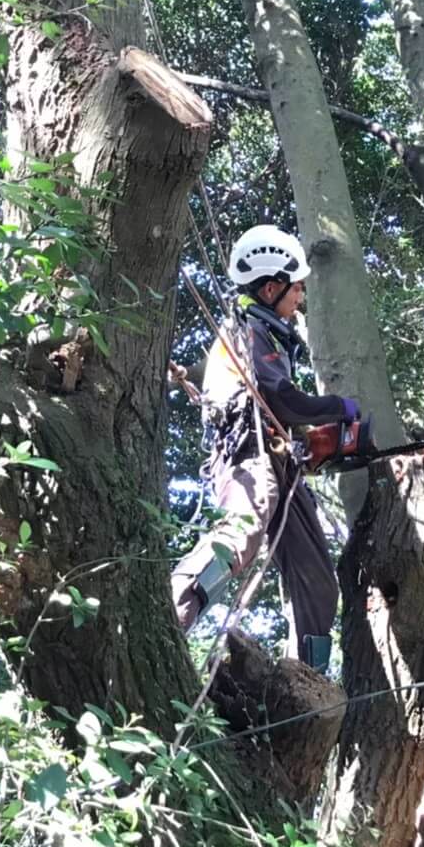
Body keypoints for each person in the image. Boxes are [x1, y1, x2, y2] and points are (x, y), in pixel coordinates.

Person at [171, 225, 360, 672]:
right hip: (248, 454)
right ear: (271, 287)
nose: (300, 298)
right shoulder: (247, 329)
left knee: (317, 580)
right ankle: (168, 612)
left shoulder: (267, 332)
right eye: (295, 288)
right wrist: (338, 407)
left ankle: (305, 683)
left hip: (278, 461)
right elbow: (281, 399)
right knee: (240, 537)